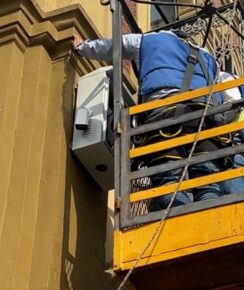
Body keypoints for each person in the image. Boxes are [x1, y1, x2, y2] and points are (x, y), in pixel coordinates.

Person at [74, 30, 226, 210]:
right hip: (205, 123)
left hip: (164, 120)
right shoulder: (208, 58)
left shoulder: (146, 40)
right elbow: (222, 95)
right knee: (208, 182)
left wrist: (82, 47)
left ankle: (174, 223)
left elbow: (112, 47)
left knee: (169, 182)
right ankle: (211, 217)